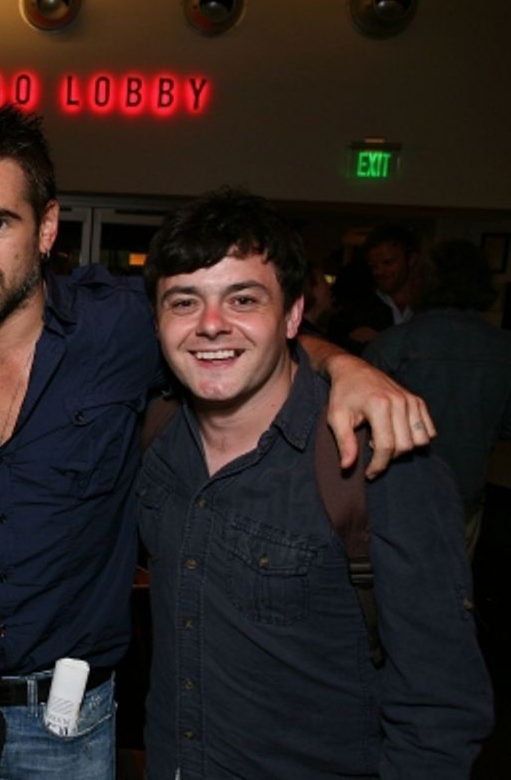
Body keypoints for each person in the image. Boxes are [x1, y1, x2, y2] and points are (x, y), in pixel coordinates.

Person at [0, 106, 435, 779]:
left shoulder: (117, 326)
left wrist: (343, 363)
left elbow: (225, 328)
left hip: (64, 723)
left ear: (47, 226)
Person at [138, 187, 492, 778]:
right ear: (157, 319)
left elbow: (441, 711)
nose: (211, 325)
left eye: (243, 298)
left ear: (294, 314)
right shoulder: (156, 438)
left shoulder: (382, 465)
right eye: (183, 302)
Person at [365, 238, 511, 558]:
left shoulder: (394, 344)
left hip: (397, 499)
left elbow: (360, 425)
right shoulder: (502, 346)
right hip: (465, 496)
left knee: (391, 597)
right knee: (452, 594)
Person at [328, 224, 418, 353]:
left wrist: (382, 341)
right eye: (373, 266)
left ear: (411, 260)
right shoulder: (355, 314)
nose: (379, 271)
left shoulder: (429, 309)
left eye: (388, 263)